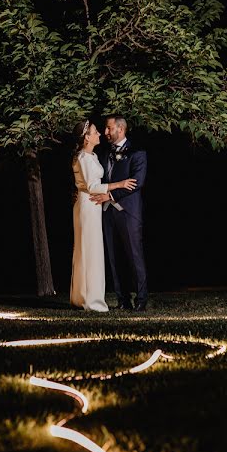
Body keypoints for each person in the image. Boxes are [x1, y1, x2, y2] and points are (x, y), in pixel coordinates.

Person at [70, 119, 137, 311]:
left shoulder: (90, 156)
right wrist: (120, 184)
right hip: (88, 205)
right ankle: (91, 301)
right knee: (90, 251)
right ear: (86, 138)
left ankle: (83, 296)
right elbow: (91, 187)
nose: (99, 134)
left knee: (90, 249)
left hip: (91, 206)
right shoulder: (83, 157)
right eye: (95, 131)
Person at [89, 115, 149, 311]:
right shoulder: (104, 153)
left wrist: (110, 195)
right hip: (107, 214)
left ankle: (141, 300)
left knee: (134, 256)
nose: (106, 132)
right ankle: (122, 300)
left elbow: (136, 183)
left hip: (128, 213)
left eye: (108, 128)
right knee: (114, 259)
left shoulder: (137, 153)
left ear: (120, 129)